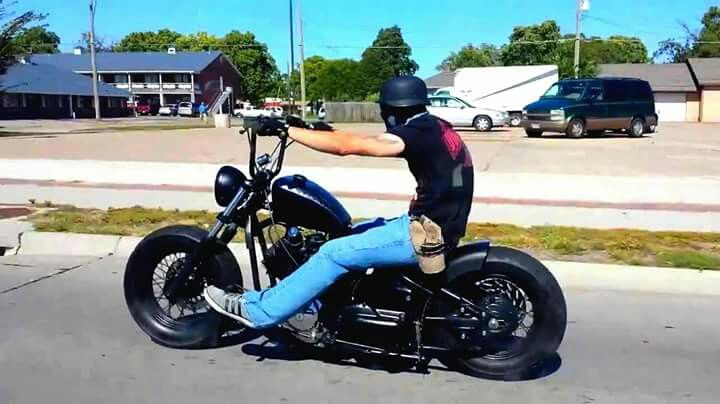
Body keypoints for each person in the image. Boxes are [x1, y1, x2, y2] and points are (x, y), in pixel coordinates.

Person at [203, 76, 474, 329]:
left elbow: (352, 147)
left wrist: (287, 129)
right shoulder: (434, 126)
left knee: (332, 252)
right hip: (435, 223)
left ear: (392, 110)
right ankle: (327, 303)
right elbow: (355, 139)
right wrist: (316, 129)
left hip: (424, 234)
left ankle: (259, 311)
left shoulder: (415, 133)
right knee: (352, 232)